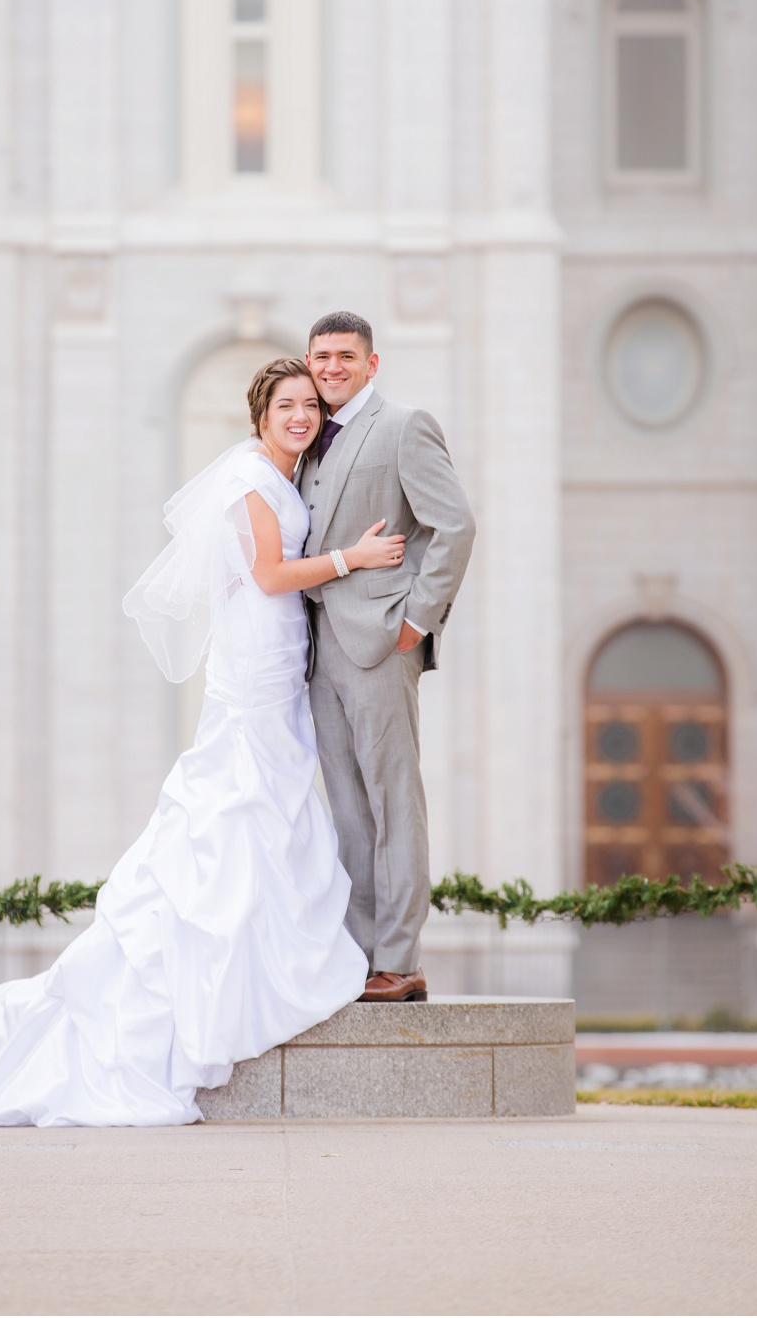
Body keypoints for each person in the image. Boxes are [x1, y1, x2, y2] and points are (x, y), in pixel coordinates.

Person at [0, 357, 405, 1128]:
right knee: (239, 799)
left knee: (273, 799)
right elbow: (269, 573)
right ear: (260, 415)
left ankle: (263, 953)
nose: (300, 416)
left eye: (309, 407)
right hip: (256, 658)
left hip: (283, 657)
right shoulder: (252, 478)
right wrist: (356, 558)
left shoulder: (288, 478)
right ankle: (224, 969)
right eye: (286, 405)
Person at [301, 311, 476, 1003]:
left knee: (393, 801)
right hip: (316, 650)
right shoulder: (310, 437)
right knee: (346, 809)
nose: (333, 367)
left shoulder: (404, 426)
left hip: (379, 640)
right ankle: (360, 959)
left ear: (371, 364)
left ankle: (399, 960)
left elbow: (453, 524)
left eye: (346, 356)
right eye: (322, 357)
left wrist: (416, 619)